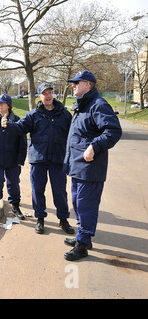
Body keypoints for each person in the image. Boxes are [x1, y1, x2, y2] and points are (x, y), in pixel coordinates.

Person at [63, 70, 122, 261]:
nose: (73, 85)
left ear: (87, 84)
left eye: (76, 82)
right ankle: (83, 237)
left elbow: (113, 131)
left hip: (90, 168)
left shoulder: (98, 105)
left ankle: (82, 245)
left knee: (86, 205)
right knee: (78, 205)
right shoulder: (82, 106)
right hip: (78, 167)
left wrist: (94, 146)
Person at [2, 83, 74, 234]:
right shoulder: (33, 114)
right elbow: (20, 127)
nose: (48, 96)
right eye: (44, 93)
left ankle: (63, 219)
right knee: (38, 190)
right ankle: (40, 219)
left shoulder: (64, 114)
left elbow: (73, 134)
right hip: (38, 159)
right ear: (39, 97)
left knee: (60, 191)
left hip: (57, 159)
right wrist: (8, 126)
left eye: (50, 93)